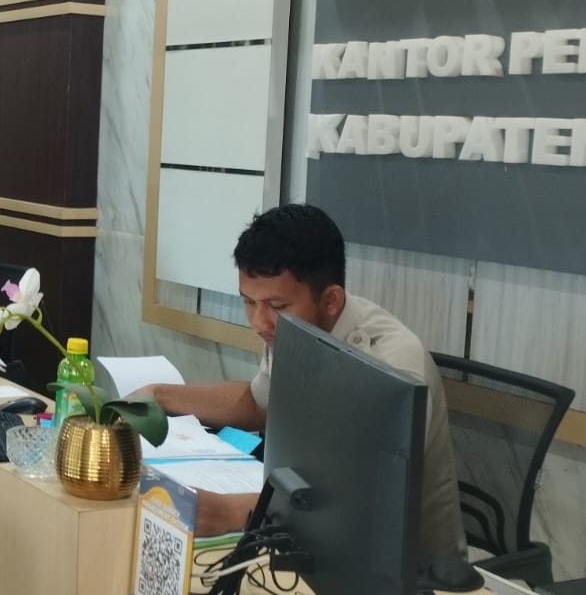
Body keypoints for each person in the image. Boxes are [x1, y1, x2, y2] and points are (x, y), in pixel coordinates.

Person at [135, 204, 466, 560]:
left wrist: (228, 512)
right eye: (249, 302)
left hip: (407, 568)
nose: (259, 322)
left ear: (331, 300)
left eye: (277, 306)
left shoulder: (394, 364)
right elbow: (259, 402)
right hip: (305, 543)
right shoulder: (296, 330)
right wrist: (159, 396)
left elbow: (364, 500)